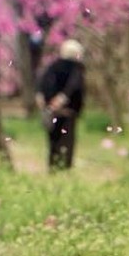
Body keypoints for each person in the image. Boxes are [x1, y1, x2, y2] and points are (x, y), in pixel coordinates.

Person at [35, 39, 86, 171]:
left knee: (53, 141)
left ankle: (53, 167)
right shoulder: (77, 68)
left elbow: (41, 84)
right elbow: (74, 86)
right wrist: (62, 99)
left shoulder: (52, 66)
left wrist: (44, 100)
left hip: (51, 111)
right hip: (68, 112)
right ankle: (64, 167)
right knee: (66, 142)